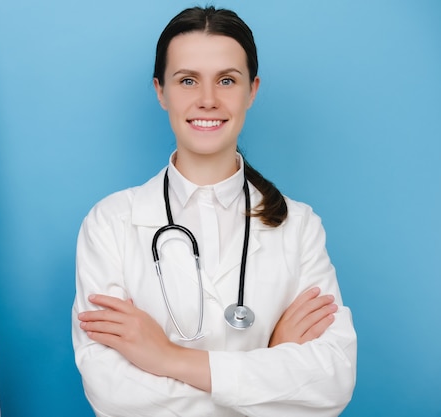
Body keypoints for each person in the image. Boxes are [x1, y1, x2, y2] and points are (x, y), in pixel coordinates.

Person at [71, 6, 357, 417]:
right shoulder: (110, 223)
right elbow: (114, 394)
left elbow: (332, 380)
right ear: (160, 91)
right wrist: (270, 366)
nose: (207, 100)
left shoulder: (300, 226)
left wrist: (166, 357)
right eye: (187, 80)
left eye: (227, 80)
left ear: (252, 91)